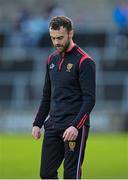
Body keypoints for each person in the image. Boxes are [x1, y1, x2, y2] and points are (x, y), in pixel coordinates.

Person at [32, 16, 96, 179]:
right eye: (53, 38)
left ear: (70, 34)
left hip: (73, 128)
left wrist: (76, 126)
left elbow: (89, 99)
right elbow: (47, 95)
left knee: (71, 175)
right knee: (46, 174)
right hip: (53, 125)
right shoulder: (51, 60)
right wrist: (38, 123)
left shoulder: (84, 61)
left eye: (60, 38)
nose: (56, 42)